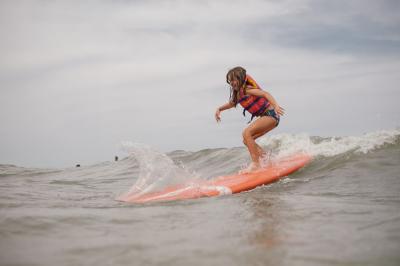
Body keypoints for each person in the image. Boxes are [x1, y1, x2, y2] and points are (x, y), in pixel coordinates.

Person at [215, 66, 285, 173]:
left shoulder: (248, 89)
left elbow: (265, 94)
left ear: (240, 78)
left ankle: (256, 164)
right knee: (247, 140)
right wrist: (220, 109)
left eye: (234, 79)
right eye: (230, 80)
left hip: (271, 115)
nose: (232, 82)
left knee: (246, 132)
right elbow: (232, 104)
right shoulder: (239, 94)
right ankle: (267, 160)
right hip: (267, 117)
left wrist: (275, 105)